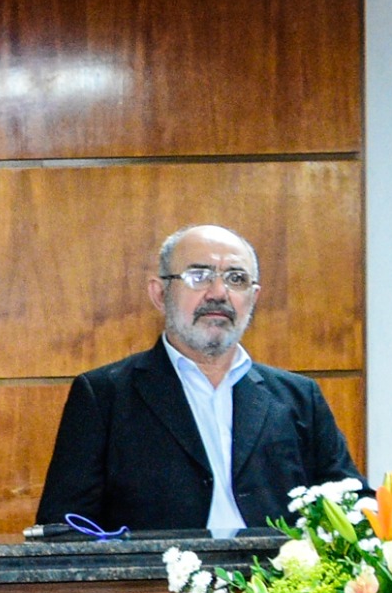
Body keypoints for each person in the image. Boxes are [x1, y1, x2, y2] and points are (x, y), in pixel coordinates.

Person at [30, 222, 357, 536]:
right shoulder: (105, 396)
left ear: (253, 298)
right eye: (199, 276)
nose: (219, 293)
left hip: (276, 573)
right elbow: (66, 526)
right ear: (160, 294)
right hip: (156, 574)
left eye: (236, 279)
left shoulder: (298, 397)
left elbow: (352, 506)